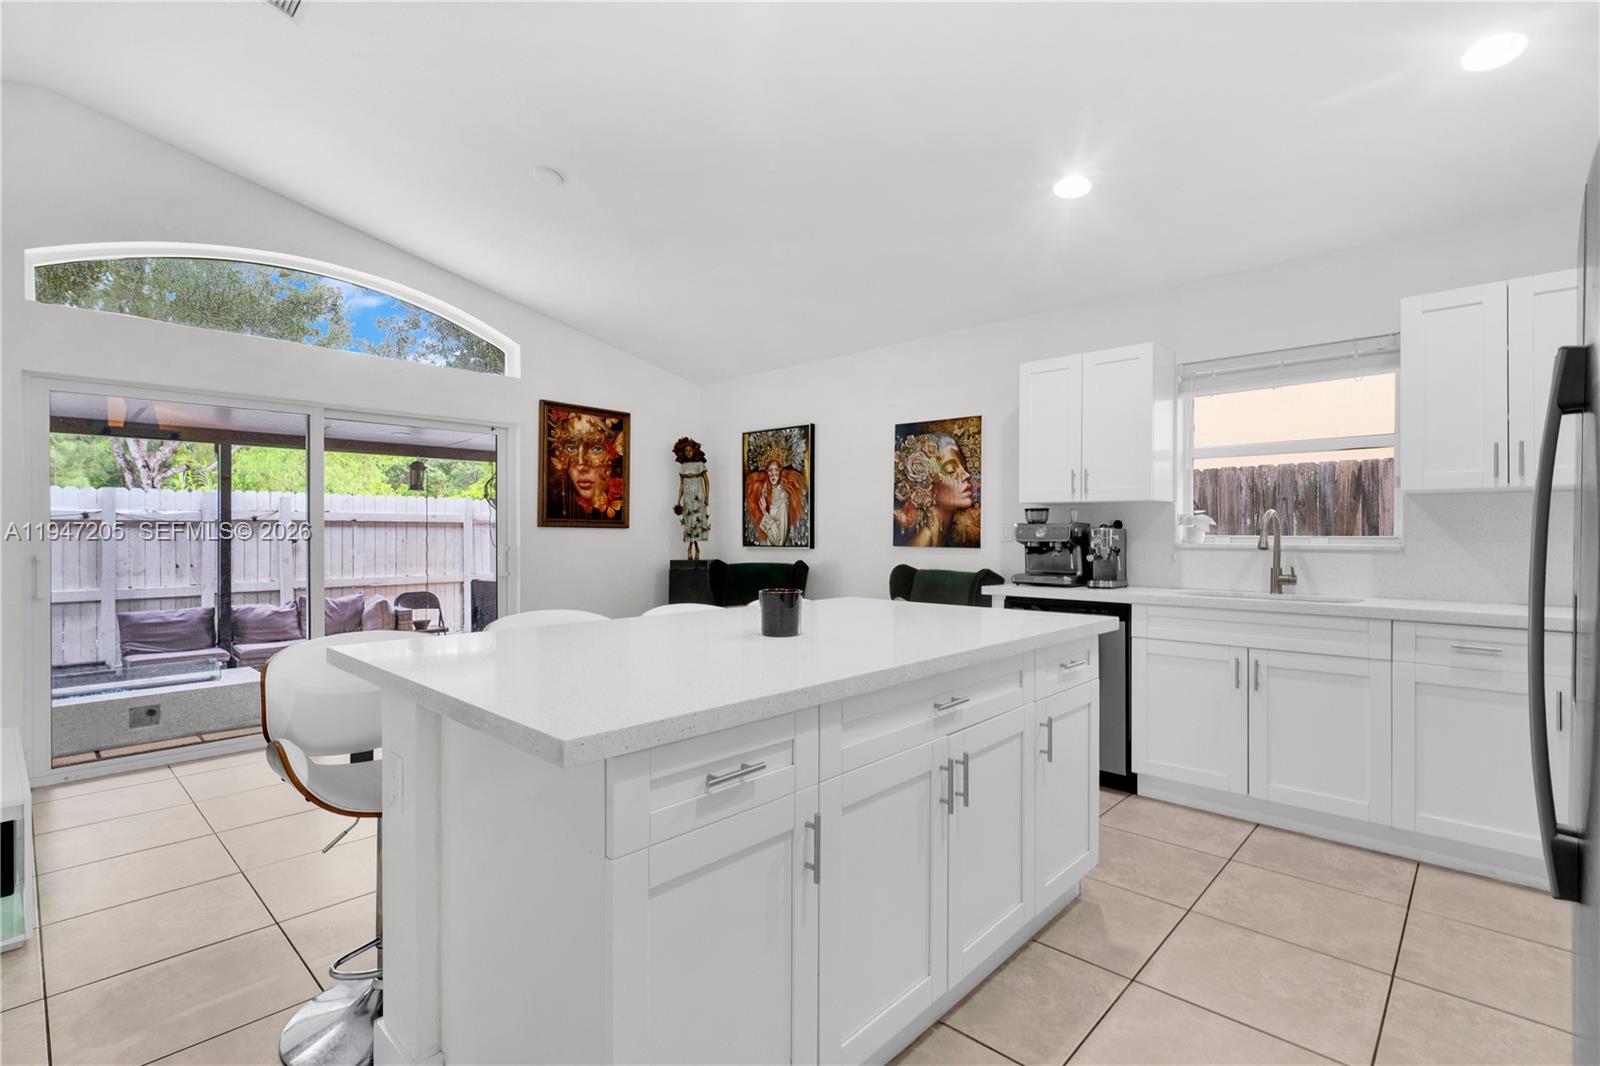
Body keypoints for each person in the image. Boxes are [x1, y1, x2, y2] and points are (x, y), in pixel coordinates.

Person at [893, 431, 976, 547]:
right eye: (951, 470)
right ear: (926, 486)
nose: (966, 475)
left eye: (963, 467)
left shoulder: (941, 539)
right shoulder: (922, 544)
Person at [744, 438, 807, 546]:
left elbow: (779, 541)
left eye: (776, 470)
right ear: (766, 472)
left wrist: (764, 512)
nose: (773, 475)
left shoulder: (782, 497)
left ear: (780, 471)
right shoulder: (761, 491)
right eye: (770, 471)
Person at [673, 437, 710, 560]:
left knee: (696, 522)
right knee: (689, 522)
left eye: (690, 450)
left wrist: (707, 497)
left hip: (698, 497)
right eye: (686, 451)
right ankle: (692, 548)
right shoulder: (683, 466)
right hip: (687, 498)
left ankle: (693, 548)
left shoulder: (700, 465)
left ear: (694, 451)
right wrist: (678, 500)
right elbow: (681, 485)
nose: (688, 453)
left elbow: (706, 482)